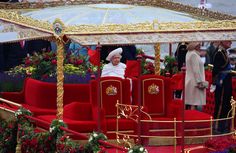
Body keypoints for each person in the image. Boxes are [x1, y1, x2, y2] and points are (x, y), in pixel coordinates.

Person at [212, 41, 232, 133]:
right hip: (222, 82)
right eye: (228, 41)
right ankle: (217, 127)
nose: (231, 42)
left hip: (227, 81)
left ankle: (223, 126)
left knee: (226, 103)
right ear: (222, 42)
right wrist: (216, 82)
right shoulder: (219, 53)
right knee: (220, 104)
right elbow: (215, 70)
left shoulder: (224, 52)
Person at [185, 42, 208, 110]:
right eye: (198, 44)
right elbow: (196, 70)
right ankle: (193, 119)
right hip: (195, 82)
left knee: (191, 102)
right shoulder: (194, 55)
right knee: (194, 103)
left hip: (190, 80)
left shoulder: (189, 53)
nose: (200, 46)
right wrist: (200, 81)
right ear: (194, 46)